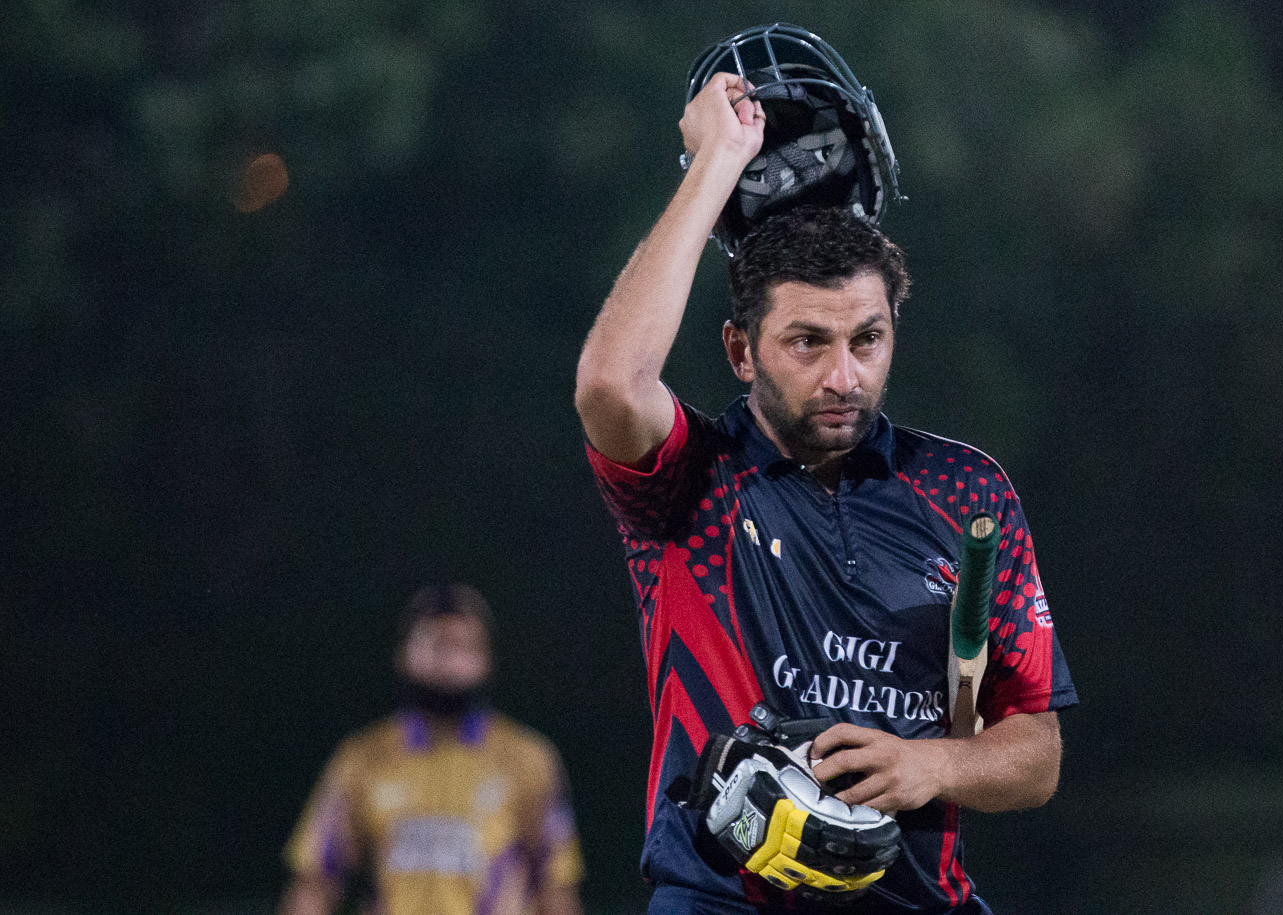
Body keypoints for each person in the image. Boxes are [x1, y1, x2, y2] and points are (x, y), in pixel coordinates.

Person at [575, 61, 1077, 913]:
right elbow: (610, 385)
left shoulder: (969, 492)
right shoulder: (693, 481)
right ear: (741, 351)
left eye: (867, 340)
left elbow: (1036, 752)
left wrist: (931, 762)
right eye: (808, 342)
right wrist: (717, 162)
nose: (845, 375)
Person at [279, 584, 584, 915]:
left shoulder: (528, 758)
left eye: (464, 646)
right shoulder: (361, 757)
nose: (450, 659)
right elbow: (316, 882)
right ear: (403, 655)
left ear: (486, 659)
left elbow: (556, 888)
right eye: (437, 644)